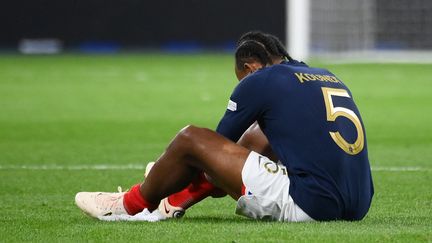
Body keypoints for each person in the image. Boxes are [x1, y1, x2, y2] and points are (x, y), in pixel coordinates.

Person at [75, 31, 374, 222]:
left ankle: (129, 205)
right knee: (259, 137)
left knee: (191, 139)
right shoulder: (324, 75)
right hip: (358, 206)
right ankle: (173, 201)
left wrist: (163, 174)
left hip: (313, 205)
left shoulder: (259, 80)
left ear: (251, 68)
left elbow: (210, 157)